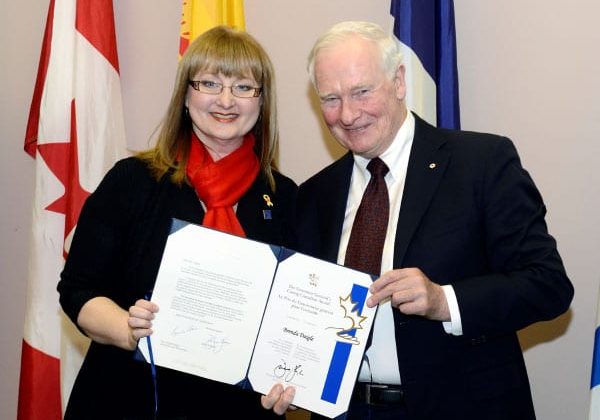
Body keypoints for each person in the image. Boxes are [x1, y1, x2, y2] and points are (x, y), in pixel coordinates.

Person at [262, 21, 573, 420]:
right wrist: (287, 372)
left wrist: (446, 301)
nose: (348, 114)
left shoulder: (480, 163)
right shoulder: (313, 196)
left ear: (398, 81)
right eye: (331, 99)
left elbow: (548, 284)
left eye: (361, 92)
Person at [57, 26, 297, 419]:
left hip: (237, 409)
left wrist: (289, 377)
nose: (225, 100)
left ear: (261, 102)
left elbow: (291, 319)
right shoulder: (132, 180)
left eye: (243, 87)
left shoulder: (286, 197)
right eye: (209, 83)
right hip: (126, 398)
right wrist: (127, 329)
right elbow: (77, 289)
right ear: (185, 95)